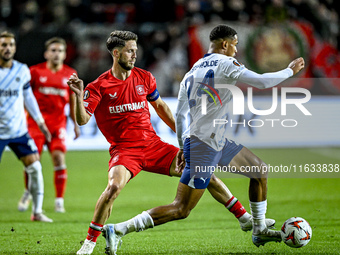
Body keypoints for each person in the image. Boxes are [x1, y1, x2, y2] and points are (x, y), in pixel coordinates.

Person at [67, 30, 275, 255]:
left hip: (154, 146)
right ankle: (89, 243)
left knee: (204, 172)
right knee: (113, 187)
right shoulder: (98, 86)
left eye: (136, 50)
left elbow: (162, 108)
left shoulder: (144, 77)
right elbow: (82, 119)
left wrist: (187, 137)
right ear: (116, 53)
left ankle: (244, 218)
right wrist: (78, 97)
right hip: (125, 151)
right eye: (130, 51)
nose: (134, 55)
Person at [17, 37, 80, 213]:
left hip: (57, 124)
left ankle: (59, 201)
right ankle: (28, 192)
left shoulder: (70, 74)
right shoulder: (35, 72)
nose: (56, 53)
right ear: (46, 53)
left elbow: (73, 101)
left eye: (60, 50)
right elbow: (24, 96)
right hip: (35, 124)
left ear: (65, 54)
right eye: (53, 50)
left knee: (59, 159)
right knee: (32, 161)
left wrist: (75, 124)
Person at [0, 31, 53, 222]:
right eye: (4, 45)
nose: (7, 49)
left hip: (18, 131)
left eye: (11, 45)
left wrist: (41, 124)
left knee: (36, 167)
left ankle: (37, 212)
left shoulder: (22, 70)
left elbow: (28, 97)